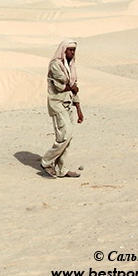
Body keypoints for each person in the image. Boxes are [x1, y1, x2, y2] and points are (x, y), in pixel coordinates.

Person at [40, 39, 84, 178]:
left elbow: (74, 88)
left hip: (68, 103)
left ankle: (61, 169)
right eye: (70, 50)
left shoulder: (71, 66)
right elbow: (60, 85)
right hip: (57, 103)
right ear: (64, 50)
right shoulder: (55, 65)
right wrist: (72, 86)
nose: (72, 52)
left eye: (74, 50)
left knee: (68, 138)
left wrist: (78, 109)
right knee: (65, 134)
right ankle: (46, 162)